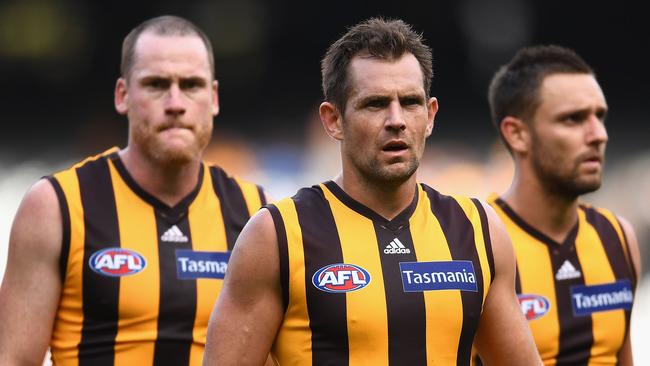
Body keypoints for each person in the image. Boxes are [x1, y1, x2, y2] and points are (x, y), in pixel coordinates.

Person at [202, 17, 542, 366]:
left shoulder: (477, 229)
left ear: (430, 116)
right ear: (333, 120)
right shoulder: (276, 235)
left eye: (410, 102)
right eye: (375, 104)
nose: (396, 119)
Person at [0, 15, 269, 366]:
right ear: (122, 96)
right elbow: (14, 360)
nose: (175, 103)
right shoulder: (57, 205)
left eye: (191, 85)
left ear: (213, 98)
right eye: (156, 84)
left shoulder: (255, 212)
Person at [484, 45, 641, 365]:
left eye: (600, 116)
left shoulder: (618, 237)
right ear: (517, 134)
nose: (599, 135)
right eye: (573, 119)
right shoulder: (475, 241)